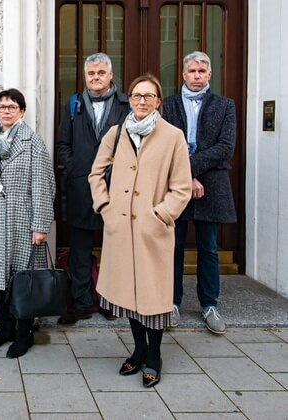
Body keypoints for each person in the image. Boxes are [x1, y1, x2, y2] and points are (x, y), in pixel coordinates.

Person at [89, 74, 191, 387]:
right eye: (136, 95)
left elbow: (182, 187)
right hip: (120, 228)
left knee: (154, 297)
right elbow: (95, 173)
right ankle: (138, 349)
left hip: (153, 231)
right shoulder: (116, 132)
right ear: (129, 99)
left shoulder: (173, 136)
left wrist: (160, 215)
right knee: (128, 295)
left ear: (159, 101)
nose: (142, 101)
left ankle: (155, 356)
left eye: (148, 96)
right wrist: (105, 208)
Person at [162, 51, 237, 334]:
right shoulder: (167, 106)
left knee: (208, 248)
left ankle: (209, 304)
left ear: (209, 75)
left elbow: (225, 147)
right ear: (183, 74)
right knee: (174, 247)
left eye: (201, 72)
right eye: (191, 71)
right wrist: (187, 176)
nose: (196, 76)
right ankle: (172, 302)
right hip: (176, 185)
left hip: (213, 186)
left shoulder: (225, 105)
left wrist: (192, 169)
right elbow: (165, 147)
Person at [0, 88, 55, 358]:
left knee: (23, 281)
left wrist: (41, 226)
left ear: (22, 111)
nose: (6, 111)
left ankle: (24, 333)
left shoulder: (32, 142)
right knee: (2, 279)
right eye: (2, 106)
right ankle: (5, 328)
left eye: (12, 107)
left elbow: (44, 185)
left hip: (23, 224)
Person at [56, 52, 130, 324]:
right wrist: (75, 166)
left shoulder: (126, 105)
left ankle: (113, 302)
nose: (96, 78)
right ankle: (82, 303)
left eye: (101, 73)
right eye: (91, 74)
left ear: (111, 75)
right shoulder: (73, 104)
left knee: (114, 250)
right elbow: (63, 144)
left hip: (116, 189)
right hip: (80, 188)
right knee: (79, 250)